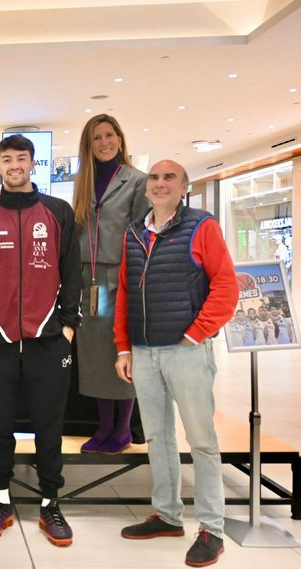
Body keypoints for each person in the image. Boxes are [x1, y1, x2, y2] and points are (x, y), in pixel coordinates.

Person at [114, 160, 238, 567]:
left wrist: (196, 333)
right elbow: (125, 295)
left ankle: (212, 529)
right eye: (154, 177)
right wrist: (123, 347)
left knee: (202, 441)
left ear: (183, 187)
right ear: (146, 186)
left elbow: (225, 286)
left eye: (170, 178)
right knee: (158, 438)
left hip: (187, 351)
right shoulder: (133, 232)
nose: (161, 183)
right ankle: (167, 515)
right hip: (145, 352)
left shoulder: (201, 227)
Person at [0, 135, 81, 546]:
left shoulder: (58, 212)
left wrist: (67, 328)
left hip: (48, 339)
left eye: (22, 158)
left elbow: (72, 273)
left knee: (49, 427)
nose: (14, 165)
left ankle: (51, 504)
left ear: (33, 164)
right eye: (6, 159)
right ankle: (0, 501)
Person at [72, 114, 149, 454]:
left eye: (108, 135)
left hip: (122, 274)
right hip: (90, 279)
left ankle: (123, 428)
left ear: (120, 138)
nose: (104, 143)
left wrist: (135, 278)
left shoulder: (137, 181)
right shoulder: (83, 182)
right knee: (96, 350)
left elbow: (142, 234)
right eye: (96, 138)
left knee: (123, 347)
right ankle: (103, 426)